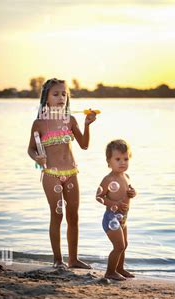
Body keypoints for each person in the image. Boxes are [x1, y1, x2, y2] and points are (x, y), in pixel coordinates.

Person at [27, 78, 97, 269]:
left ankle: (73, 259)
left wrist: (87, 125)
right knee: (57, 215)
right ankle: (58, 260)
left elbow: (84, 145)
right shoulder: (39, 124)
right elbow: (31, 149)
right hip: (51, 174)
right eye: (56, 94)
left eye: (64, 94)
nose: (61, 98)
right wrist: (37, 158)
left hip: (71, 172)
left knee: (73, 216)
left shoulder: (70, 120)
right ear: (46, 98)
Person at [96, 139, 137, 280]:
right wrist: (115, 204)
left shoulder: (126, 177)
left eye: (126, 159)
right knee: (118, 246)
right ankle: (110, 272)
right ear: (109, 162)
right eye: (118, 159)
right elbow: (99, 197)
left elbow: (128, 192)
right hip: (111, 218)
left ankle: (120, 268)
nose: (122, 162)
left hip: (123, 219)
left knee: (124, 245)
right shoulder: (108, 179)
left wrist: (132, 193)